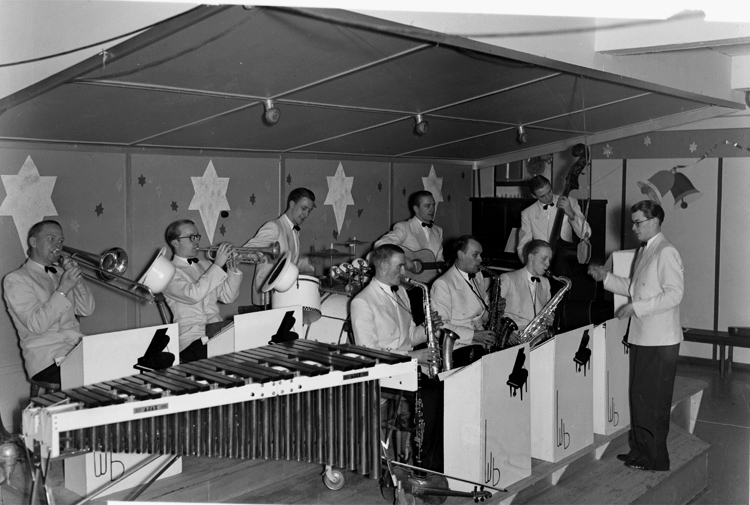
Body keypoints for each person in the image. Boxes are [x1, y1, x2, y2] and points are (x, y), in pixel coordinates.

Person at [588, 200, 683, 472]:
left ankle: (655, 459)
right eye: (633, 222)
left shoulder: (666, 251)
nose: (633, 228)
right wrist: (606, 278)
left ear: (654, 221)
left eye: (638, 222)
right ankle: (640, 452)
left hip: (660, 339)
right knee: (640, 397)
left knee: (654, 401)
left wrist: (636, 308)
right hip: (643, 335)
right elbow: (634, 287)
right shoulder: (646, 250)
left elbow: (674, 294)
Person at [350, 244, 443, 471]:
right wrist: (412, 356)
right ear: (383, 266)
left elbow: (409, 336)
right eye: (400, 266)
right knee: (431, 395)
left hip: (407, 366)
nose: (404, 271)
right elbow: (369, 351)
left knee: (444, 388)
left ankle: (433, 459)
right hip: (383, 370)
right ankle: (425, 465)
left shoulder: (401, 292)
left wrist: (428, 328)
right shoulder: (362, 301)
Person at [3, 220, 95, 384]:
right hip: (47, 359)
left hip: (77, 350)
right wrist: (63, 288)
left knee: (122, 363)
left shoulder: (62, 273)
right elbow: (37, 325)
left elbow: (87, 309)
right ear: (34, 242)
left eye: (61, 240)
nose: (58, 245)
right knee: (101, 375)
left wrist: (77, 278)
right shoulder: (16, 279)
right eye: (51, 239)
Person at [163, 219, 242, 363]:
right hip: (191, 339)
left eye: (197, 237)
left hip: (217, 331)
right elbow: (193, 295)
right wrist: (217, 265)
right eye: (191, 237)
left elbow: (228, 297)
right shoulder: (168, 272)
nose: (196, 242)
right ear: (175, 242)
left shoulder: (206, 265)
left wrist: (232, 267)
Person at [374, 190, 444, 324]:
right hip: (407, 285)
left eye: (433, 205)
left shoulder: (438, 231)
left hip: (431, 285)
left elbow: (439, 258)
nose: (432, 209)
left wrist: (441, 267)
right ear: (416, 209)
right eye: (427, 206)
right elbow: (381, 245)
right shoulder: (404, 227)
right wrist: (405, 260)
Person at [430, 236, 502, 359]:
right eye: (475, 255)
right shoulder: (443, 284)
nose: (480, 259)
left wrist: (494, 310)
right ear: (461, 255)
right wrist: (474, 335)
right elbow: (440, 328)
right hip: (458, 346)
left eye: (480, 255)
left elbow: (481, 315)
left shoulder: (478, 276)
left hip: (480, 343)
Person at [244, 188, 316, 306]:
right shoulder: (274, 227)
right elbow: (248, 250)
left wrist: (310, 262)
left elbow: (289, 264)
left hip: (283, 297)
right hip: (267, 299)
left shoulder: (295, 231)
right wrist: (255, 255)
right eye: (303, 208)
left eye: (309, 210)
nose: (306, 214)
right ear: (292, 204)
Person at [516, 175, 591, 264]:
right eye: (542, 196)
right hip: (541, 264)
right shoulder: (527, 213)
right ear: (534, 196)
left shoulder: (569, 201)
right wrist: (531, 265)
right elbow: (523, 245)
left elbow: (586, 233)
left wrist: (571, 213)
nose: (548, 197)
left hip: (565, 261)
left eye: (549, 192)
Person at [500, 239, 553, 334]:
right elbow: (491, 312)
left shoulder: (545, 282)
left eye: (549, 259)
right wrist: (506, 333)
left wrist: (549, 320)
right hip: (513, 335)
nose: (548, 264)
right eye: (544, 258)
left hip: (536, 335)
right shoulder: (508, 278)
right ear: (531, 257)